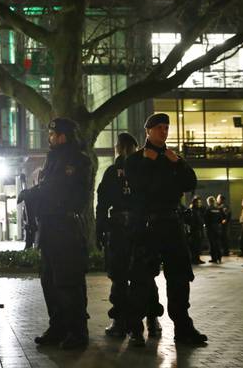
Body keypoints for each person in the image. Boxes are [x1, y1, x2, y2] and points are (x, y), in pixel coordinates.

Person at [125, 113, 207, 347]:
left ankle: (183, 328)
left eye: (166, 127)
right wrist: (148, 162)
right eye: (159, 128)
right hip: (148, 225)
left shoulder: (173, 158)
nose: (164, 131)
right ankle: (135, 327)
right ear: (148, 131)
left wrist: (178, 163)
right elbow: (140, 187)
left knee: (180, 277)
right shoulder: (136, 159)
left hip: (171, 223)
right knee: (141, 278)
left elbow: (191, 183)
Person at [18, 117, 92, 350]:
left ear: (63, 136)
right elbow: (48, 186)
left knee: (68, 282)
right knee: (49, 281)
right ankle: (58, 327)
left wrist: (33, 193)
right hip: (49, 227)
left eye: (53, 134)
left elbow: (59, 188)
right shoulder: (53, 159)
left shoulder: (78, 161)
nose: (50, 138)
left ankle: (77, 332)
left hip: (66, 227)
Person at [96, 132, 163, 339]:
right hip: (135, 226)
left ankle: (123, 320)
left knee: (123, 275)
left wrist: (100, 227)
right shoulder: (141, 169)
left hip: (124, 227)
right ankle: (149, 318)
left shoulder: (116, 171)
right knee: (140, 275)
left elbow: (103, 203)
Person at [185, 197, 205, 265]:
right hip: (194, 230)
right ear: (195, 203)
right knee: (195, 245)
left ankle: (197, 259)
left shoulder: (197, 210)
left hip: (197, 229)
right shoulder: (192, 210)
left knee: (197, 245)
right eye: (198, 202)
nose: (199, 203)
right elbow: (191, 221)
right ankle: (195, 259)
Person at [203, 196, 224, 264]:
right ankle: (219, 257)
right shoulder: (218, 209)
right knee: (217, 243)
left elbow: (205, 220)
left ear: (209, 202)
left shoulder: (208, 209)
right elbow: (221, 219)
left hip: (210, 229)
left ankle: (214, 258)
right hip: (217, 229)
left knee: (212, 244)